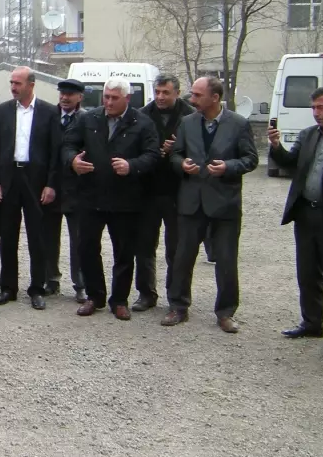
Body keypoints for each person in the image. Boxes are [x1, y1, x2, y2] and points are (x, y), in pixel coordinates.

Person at [162, 76, 257, 333]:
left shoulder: (238, 124)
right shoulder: (187, 122)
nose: (192, 100)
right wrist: (181, 164)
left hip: (224, 203)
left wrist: (228, 167)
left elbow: (250, 159)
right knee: (182, 257)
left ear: (214, 98)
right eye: (192, 94)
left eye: (197, 95)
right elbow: (176, 154)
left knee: (226, 260)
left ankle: (225, 312)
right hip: (191, 202)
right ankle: (178, 307)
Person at [269, 87, 323, 349]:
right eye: (314, 108)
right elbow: (290, 163)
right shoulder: (308, 135)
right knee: (307, 272)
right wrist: (276, 146)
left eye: (321, 107)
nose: (316, 113)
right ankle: (311, 323)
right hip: (306, 212)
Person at [62, 78, 160, 319]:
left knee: (124, 252)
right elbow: (67, 145)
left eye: (114, 98)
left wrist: (132, 165)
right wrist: (73, 161)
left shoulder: (142, 123)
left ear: (128, 98)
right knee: (87, 248)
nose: (108, 102)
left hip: (125, 199)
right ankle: (95, 296)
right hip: (90, 196)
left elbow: (152, 155)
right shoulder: (89, 119)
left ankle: (119, 300)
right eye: (106, 96)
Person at [0, 66, 61, 309]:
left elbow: (55, 152)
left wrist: (51, 184)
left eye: (18, 83)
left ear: (31, 84)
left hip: (35, 178)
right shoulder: (4, 111)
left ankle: (37, 288)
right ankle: (8, 287)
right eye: (11, 83)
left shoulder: (49, 112)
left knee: (37, 236)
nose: (13, 87)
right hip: (9, 178)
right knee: (7, 235)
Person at [133, 75, 195, 312]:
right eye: (157, 91)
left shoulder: (190, 115)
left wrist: (178, 148)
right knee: (144, 246)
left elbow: (198, 150)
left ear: (176, 93)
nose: (160, 96)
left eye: (165, 92)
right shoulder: (142, 114)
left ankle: (176, 296)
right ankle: (146, 294)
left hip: (178, 191)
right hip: (147, 191)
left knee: (177, 250)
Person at [44, 78, 86, 301]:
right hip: (50, 184)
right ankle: (51, 279)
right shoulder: (48, 116)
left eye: (70, 94)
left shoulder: (87, 118)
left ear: (80, 97)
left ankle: (80, 283)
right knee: (49, 236)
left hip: (76, 187)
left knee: (78, 238)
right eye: (62, 93)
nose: (64, 97)